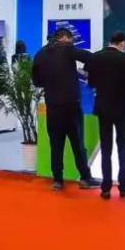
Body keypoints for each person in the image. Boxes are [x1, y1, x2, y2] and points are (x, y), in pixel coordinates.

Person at [32, 28, 97, 190]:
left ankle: (58, 181)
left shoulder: (40, 54)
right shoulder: (67, 48)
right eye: (71, 39)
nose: (71, 42)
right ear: (64, 38)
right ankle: (85, 178)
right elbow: (90, 57)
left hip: (53, 106)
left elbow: (37, 81)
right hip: (71, 105)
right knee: (78, 144)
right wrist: (85, 72)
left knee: (56, 145)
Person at [86, 31, 125, 199]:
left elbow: (91, 83)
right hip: (121, 108)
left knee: (106, 149)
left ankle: (106, 187)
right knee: (123, 148)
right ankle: (123, 186)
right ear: (122, 43)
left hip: (103, 107)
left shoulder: (95, 57)